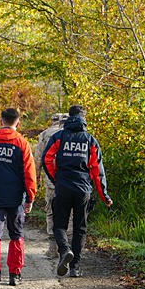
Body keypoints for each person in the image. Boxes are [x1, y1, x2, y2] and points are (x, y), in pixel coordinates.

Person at [42, 105, 112, 278]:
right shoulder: (90, 140)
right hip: (83, 189)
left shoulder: (59, 136)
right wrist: (105, 196)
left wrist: (56, 179)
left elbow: (46, 159)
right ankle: (75, 268)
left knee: (59, 224)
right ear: (84, 118)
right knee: (80, 229)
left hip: (63, 187)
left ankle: (64, 250)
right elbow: (97, 171)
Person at [0, 108, 37, 288]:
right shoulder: (22, 143)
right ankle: (14, 274)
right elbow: (29, 174)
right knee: (16, 234)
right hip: (15, 196)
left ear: (1, 121)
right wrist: (30, 197)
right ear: (17, 123)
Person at [34, 112, 69, 259]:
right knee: (70, 213)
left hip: (51, 180)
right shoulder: (77, 135)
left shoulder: (46, 134)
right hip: (70, 181)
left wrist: (35, 178)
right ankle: (69, 247)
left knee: (51, 212)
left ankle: (53, 249)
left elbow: (38, 159)